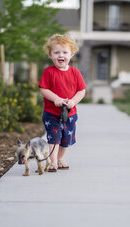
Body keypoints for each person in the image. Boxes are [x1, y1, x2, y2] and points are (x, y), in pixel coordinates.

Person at [38, 34, 86, 172]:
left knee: (66, 138)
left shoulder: (75, 73)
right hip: (52, 113)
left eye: (65, 52)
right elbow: (43, 89)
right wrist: (56, 99)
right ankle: (53, 162)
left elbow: (81, 91)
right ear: (50, 55)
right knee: (54, 137)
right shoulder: (49, 72)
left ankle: (60, 159)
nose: (61, 55)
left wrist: (73, 101)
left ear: (71, 54)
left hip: (70, 113)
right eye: (56, 52)